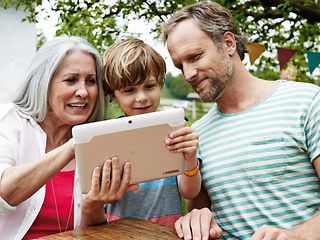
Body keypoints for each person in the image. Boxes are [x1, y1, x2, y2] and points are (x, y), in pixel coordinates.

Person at [163, 2, 320, 240]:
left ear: (228, 43)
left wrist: (295, 236)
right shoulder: (197, 134)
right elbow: (200, 212)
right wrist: (196, 221)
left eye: (195, 57)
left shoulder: (307, 101)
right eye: (179, 65)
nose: (188, 74)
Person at [0, 36, 132, 239]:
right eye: (71, 80)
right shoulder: (8, 120)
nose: (83, 92)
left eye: (91, 81)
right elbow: (5, 194)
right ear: (44, 83)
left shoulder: (101, 142)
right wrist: (73, 145)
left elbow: (91, 232)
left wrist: (92, 207)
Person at [102, 37, 201, 226]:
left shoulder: (178, 129)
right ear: (113, 95)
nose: (142, 98)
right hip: (119, 234)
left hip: (167, 234)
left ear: (160, 84)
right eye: (129, 90)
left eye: (149, 86)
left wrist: (190, 159)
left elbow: (190, 192)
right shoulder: (108, 138)